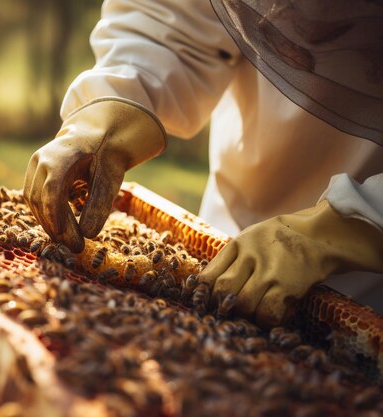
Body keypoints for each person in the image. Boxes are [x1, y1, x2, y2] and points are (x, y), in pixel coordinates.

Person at [22, 0, 383, 327]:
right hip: (219, 250)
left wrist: (355, 223)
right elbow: (172, 19)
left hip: (370, 293)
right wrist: (112, 106)